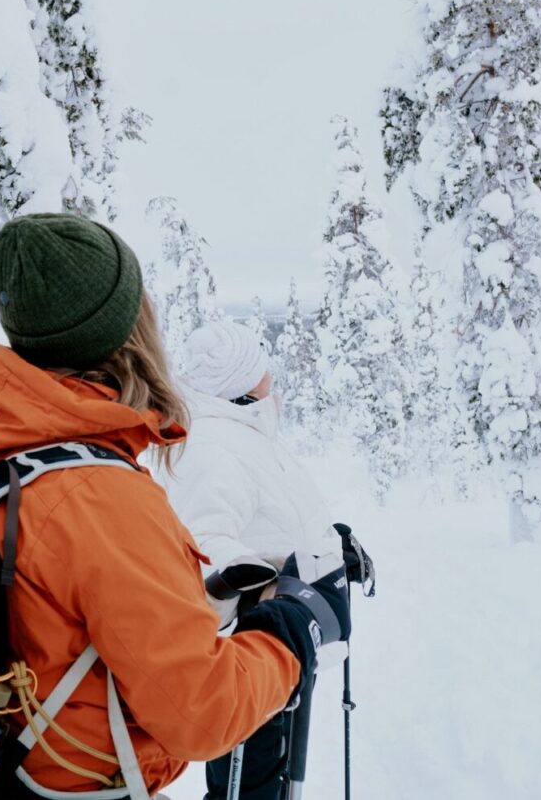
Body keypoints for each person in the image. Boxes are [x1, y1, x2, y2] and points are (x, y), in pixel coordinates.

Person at [0, 214, 350, 799]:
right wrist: (295, 629)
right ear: (125, 334)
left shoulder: (6, 451)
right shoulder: (98, 498)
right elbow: (202, 712)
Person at [163, 317, 351, 800]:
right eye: (262, 367)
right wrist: (253, 576)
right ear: (243, 378)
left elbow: (275, 516)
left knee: (275, 776)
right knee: (251, 786)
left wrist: (330, 547)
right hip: (256, 647)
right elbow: (201, 544)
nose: (272, 376)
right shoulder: (211, 446)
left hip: (287, 637)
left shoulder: (242, 433)